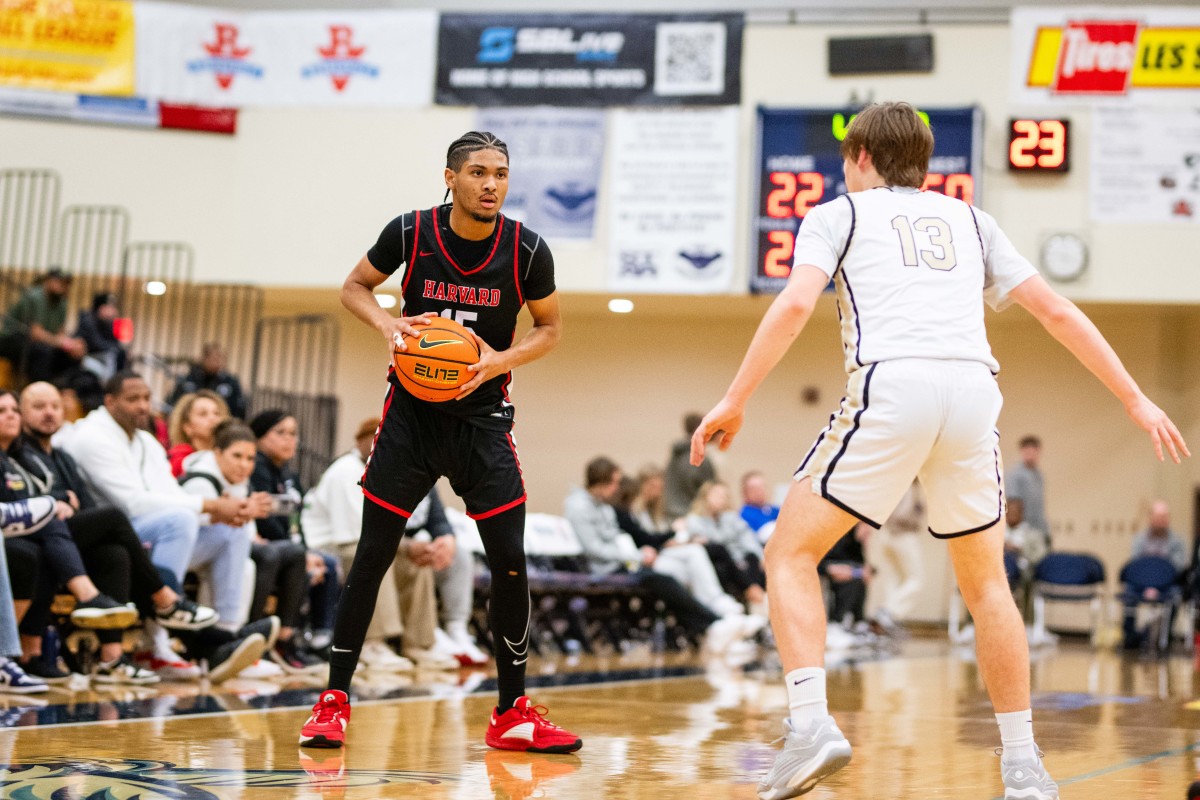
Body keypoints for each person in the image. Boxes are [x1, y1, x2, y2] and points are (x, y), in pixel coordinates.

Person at [690, 101, 1188, 800]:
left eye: (845, 158)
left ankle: (809, 726)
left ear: (860, 156)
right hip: (973, 393)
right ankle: (1024, 767)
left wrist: (735, 397)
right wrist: (1134, 397)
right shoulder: (974, 221)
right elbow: (1058, 312)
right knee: (988, 586)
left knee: (789, 554)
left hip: (894, 384)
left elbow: (797, 304)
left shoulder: (839, 214)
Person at [300, 131, 580, 753]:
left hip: (483, 421)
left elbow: (551, 329)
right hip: (410, 421)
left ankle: (512, 713)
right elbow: (353, 287)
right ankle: (333, 701)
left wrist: (498, 358)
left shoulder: (527, 250)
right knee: (372, 554)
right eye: (478, 172)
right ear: (450, 178)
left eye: (501, 174)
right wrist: (388, 322)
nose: (491, 184)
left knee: (510, 560)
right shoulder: (411, 232)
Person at [18, 381, 218, 683]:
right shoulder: (19, 453)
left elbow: (84, 505)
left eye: (55, 406)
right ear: (22, 414)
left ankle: (111, 658)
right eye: (38, 407)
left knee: (115, 552)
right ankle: (165, 600)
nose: (49, 413)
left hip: (65, 536)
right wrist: (56, 500)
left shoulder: (63, 457)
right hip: (33, 534)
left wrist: (67, 503)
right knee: (113, 517)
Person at [64, 371, 253, 679]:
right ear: (109, 401)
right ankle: (157, 644)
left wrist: (218, 514)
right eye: (133, 399)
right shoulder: (91, 436)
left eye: (147, 398)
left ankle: (227, 638)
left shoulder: (146, 441)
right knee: (179, 519)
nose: (142, 406)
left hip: (145, 531)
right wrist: (209, 505)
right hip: (108, 535)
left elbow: (171, 494)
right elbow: (131, 504)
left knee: (231, 530)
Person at [566, 457, 763, 657]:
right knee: (667, 580)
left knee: (692, 556)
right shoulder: (580, 506)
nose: (618, 487)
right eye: (614, 482)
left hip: (629, 560)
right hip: (609, 567)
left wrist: (638, 554)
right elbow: (594, 549)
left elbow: (620, 539)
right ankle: (713, 623)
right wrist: (636, 555)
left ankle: (722, 613)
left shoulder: (604, 506)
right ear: (601, 481)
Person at [248, 409, 335, 667]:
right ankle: (278, 640)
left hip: (289, 545)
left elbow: (297, 521)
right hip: (266, 542)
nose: (289, 440)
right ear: (260, 437)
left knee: (327, 564)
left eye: (293, 434)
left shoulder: (289, 474)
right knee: (300, 560)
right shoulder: (257, 468)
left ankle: (318, 637)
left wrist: (309, 550)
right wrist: (302, 552)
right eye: (281, 433)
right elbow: (266, 521)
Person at [685, 480, 768, 614]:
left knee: (752, 557)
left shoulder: (730, 517)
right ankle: (753, 593)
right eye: (718, 495)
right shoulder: (694, 520)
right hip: (716, 564)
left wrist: (761, 556)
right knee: (722, 562)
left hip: (738, 561)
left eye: (725, 496)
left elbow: (747, 537)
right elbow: (712, 547)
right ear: (706, 496)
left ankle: (754, 601)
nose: (722, 500)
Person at [0, 268, 86, 384]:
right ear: (48, 281)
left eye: (66, 283)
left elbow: (61, 332)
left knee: (70, 356)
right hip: (12, 338)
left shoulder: (62, 302)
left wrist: (71, 345)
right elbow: (36, 333)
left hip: (40, 342)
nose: (63, 286)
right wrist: (62, 343)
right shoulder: (36, 296)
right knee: (42, 352)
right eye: (60, 282)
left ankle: (61, 388)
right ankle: (40, 388)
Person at [1121, 500, 1187, 651]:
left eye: (1164, 517)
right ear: (1150, 518)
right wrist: (1147, 585)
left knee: (1175, 594)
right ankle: (1130, 637)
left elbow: (1177, 568)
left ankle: (1164, 638)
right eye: (1157, 517)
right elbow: (1136, 566)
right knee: (1128, 591)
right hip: (1140, 585)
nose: (1160, 521)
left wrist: (1158, 585)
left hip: (1167, 586)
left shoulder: (1177, 542)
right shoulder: (1139, 539)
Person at [870, 480, 924, 634]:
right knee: (916, 579)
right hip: (902, 534)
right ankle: (888, 612)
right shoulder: (909, 485)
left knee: (894, 579)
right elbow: (903, 513)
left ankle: (887, 621)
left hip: (885, 534)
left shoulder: (893, 481)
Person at [167, 342, 247, 420]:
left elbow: (239, 410)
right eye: (213, 358)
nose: (217, 361)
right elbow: (174, 403)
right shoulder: (189, 379)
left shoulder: (231, 382)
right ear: (204, 358)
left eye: (220, 358)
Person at [663, 412, 716, 522]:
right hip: (691, 516)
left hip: (671, 513)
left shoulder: (675, 455)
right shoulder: (699, 457)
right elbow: (707, 490)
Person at [166, 390, 230, 478]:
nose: (212, 418)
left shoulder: (228, 457)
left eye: (217, 413)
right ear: (187, 427)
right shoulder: (179, 460)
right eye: (203, 414)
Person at [1006, 436, 1049, 552]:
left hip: (1040, 529)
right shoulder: (1015, 475)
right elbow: (1013, 505)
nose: (1029, 454)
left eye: (1032, 450)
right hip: (1023, 533)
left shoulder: (1039, 475)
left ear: (1038, 451)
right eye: (1026, 451)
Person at [75, 292, 128, 382]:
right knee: (111, 356)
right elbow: (96, 344)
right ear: (100, 307)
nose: (113, 311)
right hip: (87, 358)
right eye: (109, 307)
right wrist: (114, 349)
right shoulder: (88, 320)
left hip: (102, 358)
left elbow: (116, 343)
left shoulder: (108, 323)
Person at [740, 470, 780, 541]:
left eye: (762, 486)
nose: (759, 491)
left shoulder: (775, 510)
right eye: (754, 488)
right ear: (745, 493)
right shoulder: (744, 516)